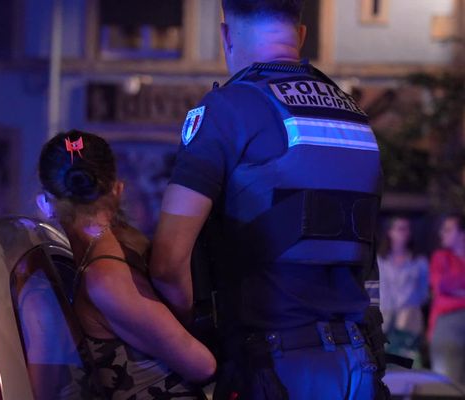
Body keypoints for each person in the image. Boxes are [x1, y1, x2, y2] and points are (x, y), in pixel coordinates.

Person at [149, 1, 389, 399]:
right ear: (301, 34)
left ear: (225, 35)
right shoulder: (356, 119)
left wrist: (189, 343)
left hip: (270, 367)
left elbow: (167, 264)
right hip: (357, 365)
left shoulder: (228, 110)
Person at [36, 130, 216, 399]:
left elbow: (202, 365)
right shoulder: (121, 246)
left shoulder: (105, 279)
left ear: (45, 203)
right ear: (117, 190)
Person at [377, 216, 428, 368]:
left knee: (407, 365)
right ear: (389, 232)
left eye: (407, 229)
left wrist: (408, 307)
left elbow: (424, 293)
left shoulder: (419, 262)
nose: (404, 233)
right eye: (400, 228)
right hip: (383, 320)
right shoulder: (379, 260)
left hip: (409, 322)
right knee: (384, 365)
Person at [428, 214, 465, 387]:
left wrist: (456, 291)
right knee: (447, 388)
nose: (442, 233)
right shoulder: (441, 257)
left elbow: (450, 286)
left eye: (448, 229)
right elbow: (441, 286)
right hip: (447, 329)